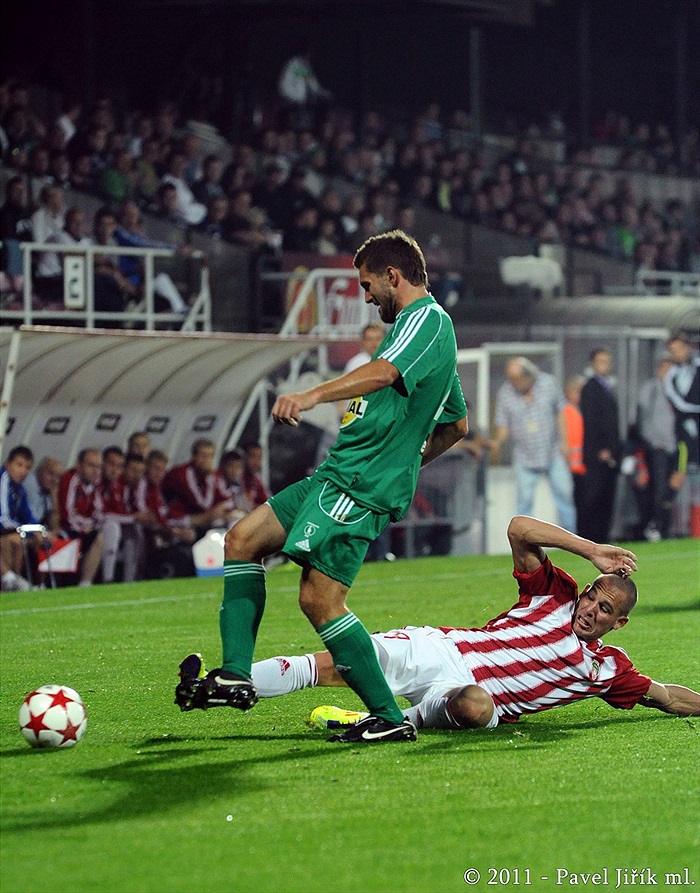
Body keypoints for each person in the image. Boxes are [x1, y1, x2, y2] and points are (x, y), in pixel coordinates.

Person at [175, 229, 468, 744]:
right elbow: (457, 425)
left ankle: (389, 716)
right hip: (341, 473)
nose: (366, 295)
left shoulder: (426, 320)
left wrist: (311, 396)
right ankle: (235, 676)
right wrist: (409, 460)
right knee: (242, 539)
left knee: (320, 601)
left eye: (368, 284)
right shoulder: (421, 329)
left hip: (360, 483)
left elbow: (382, 374)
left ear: (393, 276)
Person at [248, 515, 699, 732]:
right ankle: (230, 683)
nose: (590, 610)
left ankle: (379, 719)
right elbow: (520, 528)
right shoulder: (553, 593)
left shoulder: (607, 670)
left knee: (478, 707)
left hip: (469, 696)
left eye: (604, 610)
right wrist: (590, 550)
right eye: (592, 597)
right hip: (444, 649)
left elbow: (668, 697)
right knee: (337, 662)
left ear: (618, 624)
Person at [489, 357, 576, 532]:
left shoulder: (548, 383)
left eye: (517, 379)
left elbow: (560, 414)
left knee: (565, 496)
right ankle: (525, 542)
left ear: (529, 375)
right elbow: (503, 424)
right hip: (524, 456)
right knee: (524, 502)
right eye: (511, 379)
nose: (514, 383)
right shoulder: (505, 393)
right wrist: (497, 442)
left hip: (552, 451)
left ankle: (571, 537)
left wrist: (565, 442)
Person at [579, 348, 621, 542]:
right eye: (601, 361)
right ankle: (590, 539)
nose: (605, 365)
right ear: (592, 364)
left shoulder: (607, 387)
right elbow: (592, 421)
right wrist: (600, 448)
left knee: (606, 498)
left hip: (610, 454)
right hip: (598, 455)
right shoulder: (590, 388)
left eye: (607, 361)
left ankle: (603, 538)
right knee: (594, 498)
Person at [636, 356, 678, 540]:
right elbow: (642, 420)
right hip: (658, 447)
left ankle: (665, 527)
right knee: (658, 488)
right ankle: (655, 524)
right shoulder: (650, 389)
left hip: (676, 446)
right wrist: (653, 441)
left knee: (672, 488)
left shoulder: (677, 389)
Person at [162, 438, 237, 539]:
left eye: (210, 456)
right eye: (203, 456)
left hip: (201, 521)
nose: (207, 460)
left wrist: (221, 507)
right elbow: (199, 503)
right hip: (178, 519)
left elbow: (228, 499)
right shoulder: (180, 473)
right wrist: (212, 514)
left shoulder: (213, 476)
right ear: (193, 456)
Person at [57, 448, 105, 586]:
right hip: (65, 527)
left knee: (99, 537)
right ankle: (58, 584)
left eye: (98, 467)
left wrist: (86, 523)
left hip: (81, 528)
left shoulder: (95, 485)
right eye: (91, 466)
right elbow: (67, 513)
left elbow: (99, 513)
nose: (96, 471)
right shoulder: (70, 479)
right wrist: (84, 526)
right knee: (70, 536)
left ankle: (85, 584)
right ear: (79, 465)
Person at [1, 445, 44, 591]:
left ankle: (16, 579)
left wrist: (38, 530)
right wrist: (26, 530)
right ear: (8, 464)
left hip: (8, 530)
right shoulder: (3, 480)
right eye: (19, 465)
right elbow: (4, 517)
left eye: (27, 467)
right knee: (14, 539)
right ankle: (9, 578)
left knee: (29, 538)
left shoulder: (19, 489)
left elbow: (27, 515)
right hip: (4, 529)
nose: (23, 471)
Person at [664, 331, 699, 478]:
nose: (677, 353)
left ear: (688, 348)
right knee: (686, 471)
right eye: (673, 351)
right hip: (685, 431)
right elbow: (679, 405)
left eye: (680, 349)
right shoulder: (671, 375)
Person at [562, 375, 586, 531]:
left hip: (581, 466)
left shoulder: (581, 410)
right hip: (570, 465)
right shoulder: (565, 412)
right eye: (576, 391)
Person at [23, 455, 64, 534]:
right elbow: (29, 519)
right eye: (50, 474)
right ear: (39, 471)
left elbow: (54, 528)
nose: (54, 480)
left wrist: (54, 500)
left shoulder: (47, 490)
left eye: (58, 477)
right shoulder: (29, 484)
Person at [240, 442, 270, 510]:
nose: (256, 462)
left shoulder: (257, 480)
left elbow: (268, 503)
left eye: (259, 457)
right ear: (244, 457)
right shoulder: (235, 478)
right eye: (252, 456)